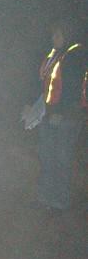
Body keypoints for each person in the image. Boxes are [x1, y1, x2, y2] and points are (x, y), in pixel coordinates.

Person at [23, 19, 88, 211]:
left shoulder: (75, 55)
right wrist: (31, 105)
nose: (54, 38)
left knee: (61, 158)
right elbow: (44, 83)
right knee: (47, 155)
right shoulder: (55, 55)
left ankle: (60, 201)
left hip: (67, 117)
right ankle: (45, 198)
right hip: (48, 113)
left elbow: (72, 89)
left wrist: (60, 113)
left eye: (58, 35)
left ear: (66, 36)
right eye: (53, 35)